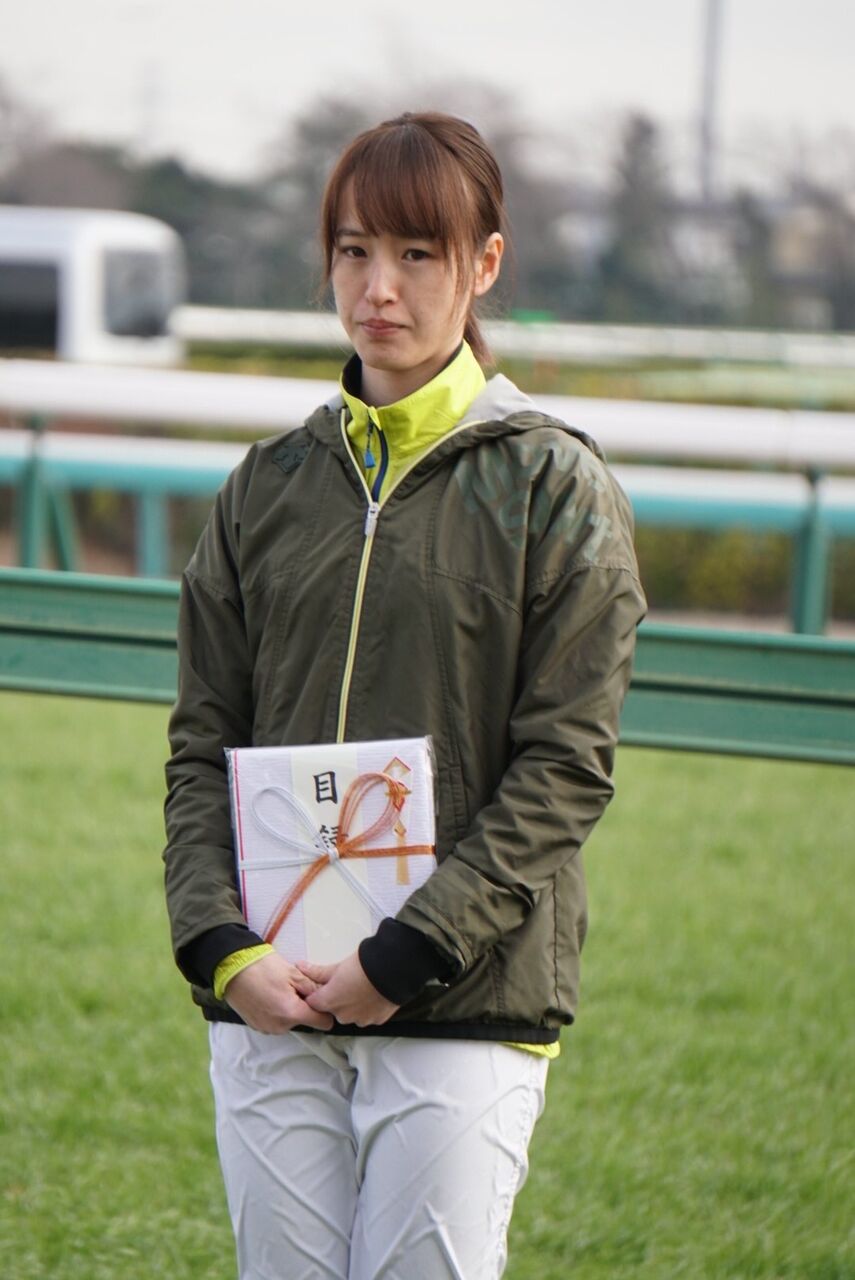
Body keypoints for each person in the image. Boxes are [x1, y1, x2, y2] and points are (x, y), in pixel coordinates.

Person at [163, 111, 646, 1280]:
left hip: (461, 1000)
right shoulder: (266, 484)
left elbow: (566, 765)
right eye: (354, 250)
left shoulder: (554, 485)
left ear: (484, 263)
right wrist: (219, 942)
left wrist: (409, 952)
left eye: (418, 254)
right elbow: (202, 740)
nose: (379, 287)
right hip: (270, 994)